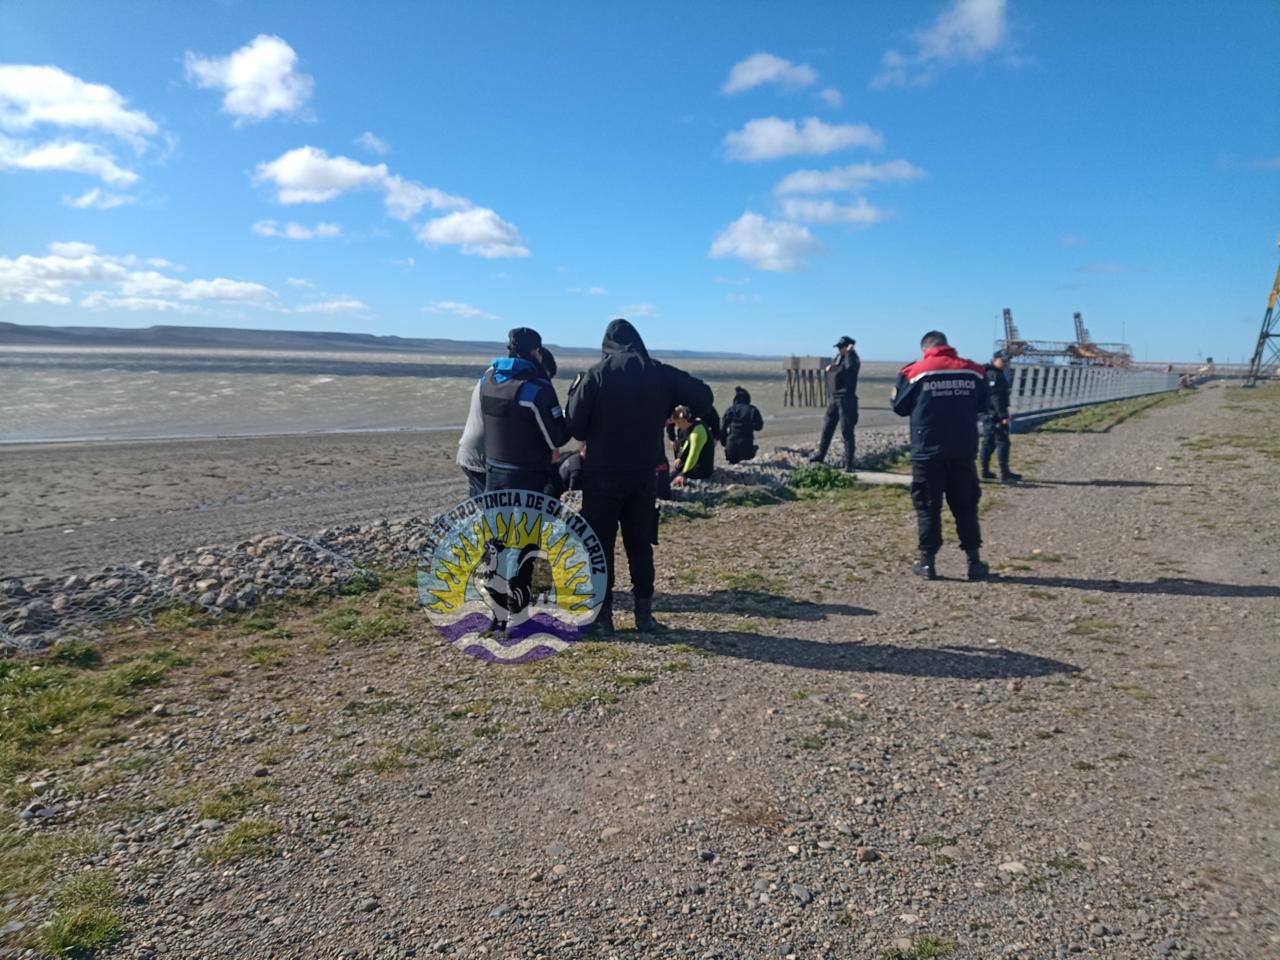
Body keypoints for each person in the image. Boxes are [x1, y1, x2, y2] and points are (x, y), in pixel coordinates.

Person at [566, 318, 714, 635]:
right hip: (645, 472)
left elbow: (575, 426)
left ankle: (603, 619)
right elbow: (704, 395)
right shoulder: (659, 372)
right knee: (640, 545)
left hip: (602, 474)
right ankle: (644, 616)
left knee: (600, 546)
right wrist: (667, 408)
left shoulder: (595, 375)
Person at [892, 330, 991, 581]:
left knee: (927, 507)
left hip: (927, 453)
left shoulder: (914, 372)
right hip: (963, 450)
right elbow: (983, 404)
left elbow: (899, 407)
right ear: (948, 346)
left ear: (925, 349)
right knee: (966, 506)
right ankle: (974, 563)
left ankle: (927, 563)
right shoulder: (974, 371)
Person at [480, 327, 569, 492]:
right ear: (536, 351)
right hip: (527, 474)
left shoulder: (488, 379)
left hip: (493, 467)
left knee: (496, 517)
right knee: (529, 518)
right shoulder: (537, 388)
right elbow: (556, 438)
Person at [810, 334, 861, 471]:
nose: (839, 350)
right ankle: (821, 455)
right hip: (834, 398)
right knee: (827, 427)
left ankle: (849, 464)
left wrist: (850, 351)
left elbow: (850, 369)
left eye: (841, 347)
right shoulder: (839, 357)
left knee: (847, 431)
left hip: (846, 399)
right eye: (838, 347)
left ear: (848, 347)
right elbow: (834, 369)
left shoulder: (853, 358)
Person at [980, 350, 1022, 482]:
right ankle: (1004, 473)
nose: (1006, 363)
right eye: (1003, 360)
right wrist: (1003, 415)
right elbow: (996, 398)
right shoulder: (994, 375)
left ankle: (985, 471)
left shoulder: (991, 373)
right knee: (1002, 442)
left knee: (989, 442)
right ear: (995, 360)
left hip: (988, 413)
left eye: (1007, 360)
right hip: (994, 414)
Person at [671, 405, 714, 486]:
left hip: (702, 468)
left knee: (675, 476)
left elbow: (693, 454)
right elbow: (688, 444)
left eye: (677, 423)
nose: (677, 426)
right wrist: (681, 458)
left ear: (683, 420)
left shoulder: (697, 433)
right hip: (695, 463)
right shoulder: (693, 423)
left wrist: (684, 474)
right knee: (672, 473)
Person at [720, 386, 764, 464]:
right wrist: (749, 426)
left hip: (731, 448)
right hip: (746, 448)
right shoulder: (752, 410)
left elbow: (722, 429)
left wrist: (724, 443)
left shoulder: (731, 410)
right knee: (753, 448)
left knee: (732, 458)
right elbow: (759, 426)